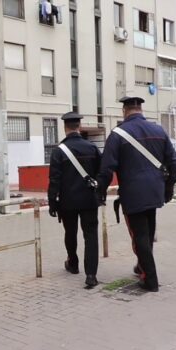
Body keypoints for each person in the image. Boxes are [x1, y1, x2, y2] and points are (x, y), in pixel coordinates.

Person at [97, 96, 176, 292]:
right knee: (148, 231)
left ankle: (149, 279)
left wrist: (100, 192)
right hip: (155, 190)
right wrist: (169, 187)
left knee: (139, 235)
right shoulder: (159, 130)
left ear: (124, 111)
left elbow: (107, 168)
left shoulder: (117, 134)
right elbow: (173, 161)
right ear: (140, 109)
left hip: (133, 193)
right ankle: (142, 265)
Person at [48, 112, 102, 288]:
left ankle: (73, 263)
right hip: (89, 200)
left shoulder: (58, 151)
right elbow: (100, 173)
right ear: (79, 126)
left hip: (68, 202)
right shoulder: (92, 148)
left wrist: (52, 202)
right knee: (91, 236)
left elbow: (54, 180)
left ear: (65, 128)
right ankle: (91, 275)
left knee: (70, 233)